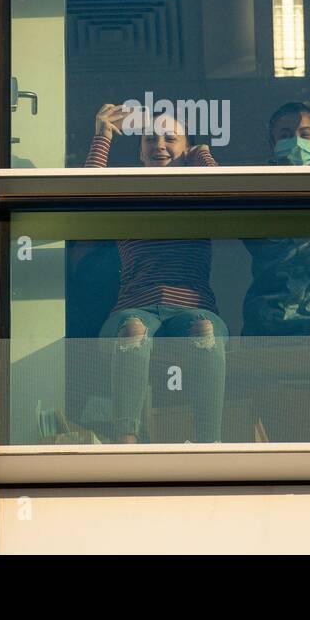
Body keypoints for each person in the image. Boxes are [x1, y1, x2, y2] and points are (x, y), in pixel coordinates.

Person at [86, 103, 227, 443]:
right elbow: (86, 191)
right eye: (150, 139)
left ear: (185, 150)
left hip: (193, 308)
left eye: (170, 139)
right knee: (133, 329)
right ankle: (126, 440)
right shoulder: (128, 196)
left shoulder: (198, 198)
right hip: (136, 308)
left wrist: (202, 154)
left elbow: (224, 188)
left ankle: (210, 443)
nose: (159, 144)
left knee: (204, 330)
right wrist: (103, 135)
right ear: (140, 152)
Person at [242, 102, 310, 336]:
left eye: (304, 134)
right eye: (286, 135)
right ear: (272, 143)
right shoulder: (254, 192)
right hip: (271, 311)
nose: (296, 141)